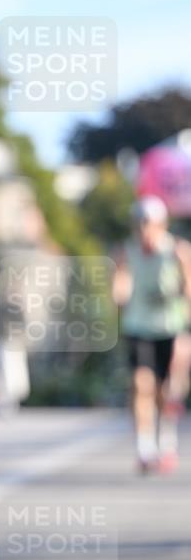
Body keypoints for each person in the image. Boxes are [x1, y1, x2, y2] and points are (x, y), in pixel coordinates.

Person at [112, 196, 191, 473]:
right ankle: (145, 450)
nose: (143, 229)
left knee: (165, 392)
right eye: (139, 223)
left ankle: (166, 444)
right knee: (140, 384)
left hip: (170, 329)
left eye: (148, 223)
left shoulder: (178, 251)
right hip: (139, 328)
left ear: (161, 224)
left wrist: (185, 335)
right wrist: (119, 292)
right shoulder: (127, 251)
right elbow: (120, 284)